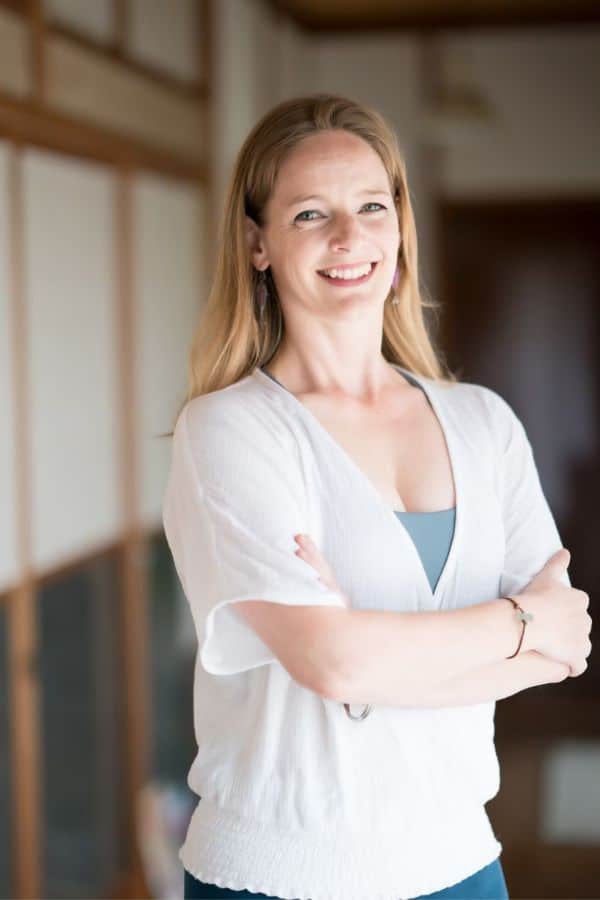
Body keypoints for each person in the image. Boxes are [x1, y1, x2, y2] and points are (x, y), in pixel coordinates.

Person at [161, 93, 592, 900]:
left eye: (370, 205)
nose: (350, 237)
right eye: (310, 215)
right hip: (277, 874)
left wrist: (366, 659)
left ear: (399, 225)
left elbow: (565, 649)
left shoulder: (483, 421)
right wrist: (517, 625)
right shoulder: (229, 430)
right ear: (258, 243)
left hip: (460, 863)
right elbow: (334, 659)